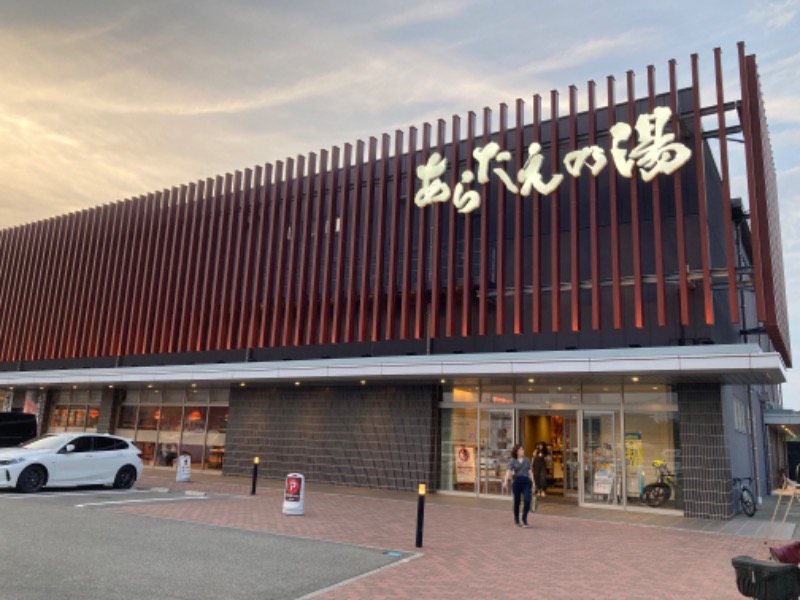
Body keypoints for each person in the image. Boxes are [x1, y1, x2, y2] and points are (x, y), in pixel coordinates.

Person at [501, 443, 534, 528]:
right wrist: (505, 481)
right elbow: (508, 471)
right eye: (520, 450)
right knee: (517, 501)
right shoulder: (513, 461)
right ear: (516, 452)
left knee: (527, 500)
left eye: (522, 449)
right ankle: (516, 519)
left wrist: (533, 482)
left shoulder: (527, 460)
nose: (522, 451)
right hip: (517, 482)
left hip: (526, 482)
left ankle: (524, 518)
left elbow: (530, 471)